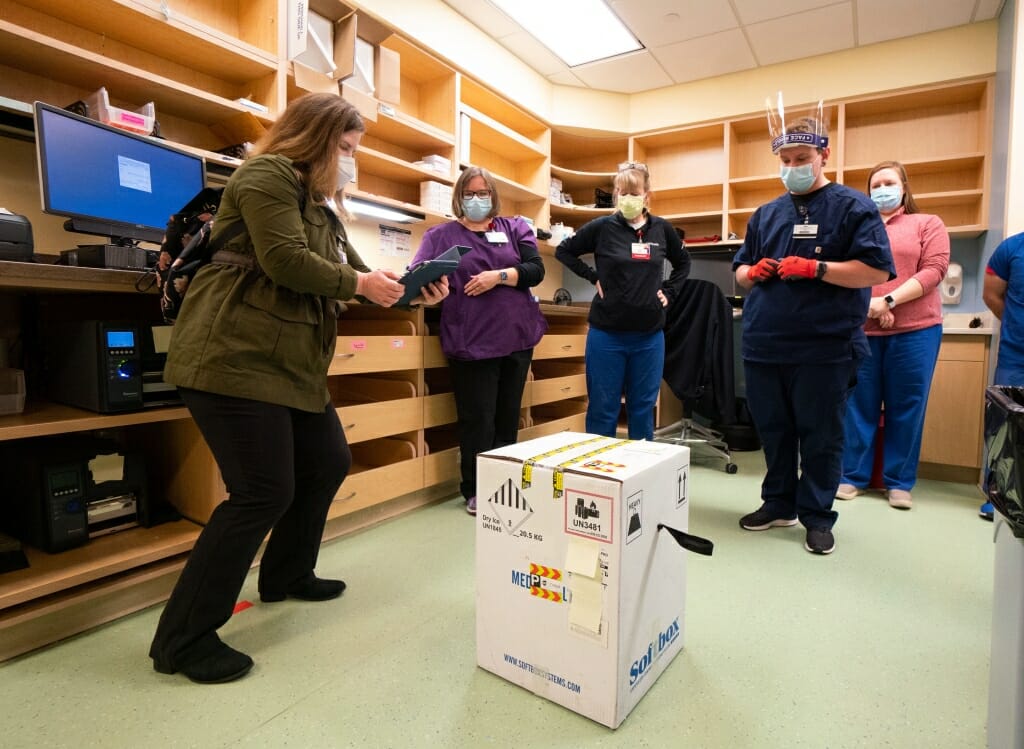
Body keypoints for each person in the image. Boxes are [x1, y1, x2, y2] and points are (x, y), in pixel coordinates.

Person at [149, 93, 448, 684]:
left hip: (289, 365)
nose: (350, 160)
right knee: (261, 491)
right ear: (313, 138)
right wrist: (362, 283)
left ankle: (285, 575)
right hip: (233, 354)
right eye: (345, 148)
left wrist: (408, 287)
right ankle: (182, 640)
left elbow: (357, 276)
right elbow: (285, 261)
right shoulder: (265, 174)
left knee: (326, 461)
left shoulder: (322, 206)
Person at [733, 109, 895, 555]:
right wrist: (754, 270)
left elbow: (875, 269)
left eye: (801, 157)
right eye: (785, 160)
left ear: (824, 154)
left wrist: (817, 268)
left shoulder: (852, 207)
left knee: (821, 435)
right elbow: (739, 274)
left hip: (825, 346)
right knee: (774, 430)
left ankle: (818, 516)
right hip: (765, 343)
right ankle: (778, 504)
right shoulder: (766, 214)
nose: (792, 167)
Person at [410, 166, 547, 516]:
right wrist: (428, 292)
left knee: (506, 417)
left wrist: (499, 277)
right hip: (472, 341)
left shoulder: (515, 228)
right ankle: (475, 489)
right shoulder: (440, 236)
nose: (476, 199)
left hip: (516, 337)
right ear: (458, 197)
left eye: (483, 193)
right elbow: (417, 279)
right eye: (469, 193)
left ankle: (505, 486)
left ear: (493, 196)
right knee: (478, 419)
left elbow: (535, 270)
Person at [837, 161, 949, 510]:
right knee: (859, 405)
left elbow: (934, 269)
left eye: (889, 182)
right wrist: (871, 306)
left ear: (904, 187)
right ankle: (852, 476)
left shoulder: (926, 223)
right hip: (863, 329)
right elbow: (846, 274)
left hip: (916, 331)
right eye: (875, 184)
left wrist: (887, 300)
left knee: (907, 406)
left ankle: (898, 481)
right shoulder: (856, 228)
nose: (881, 189)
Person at [555, 162, 689, 440]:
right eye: (621, 192)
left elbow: (683, 263)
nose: (627, 198)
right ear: (616, 195)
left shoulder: (662, 230)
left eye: (633, 192)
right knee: (603, 409)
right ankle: (597, 478)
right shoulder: (602, 227)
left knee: (641, 410)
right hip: (607, 335)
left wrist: (671, 291)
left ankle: (640, 477)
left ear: (647, 195)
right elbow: (564, 251)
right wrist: (592, 277)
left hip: (649, 337)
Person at [981, 230, 1024, 520]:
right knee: (1005, 427)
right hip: (1016, 354)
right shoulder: (1011, 248)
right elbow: (991, 295)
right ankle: (997, 499)